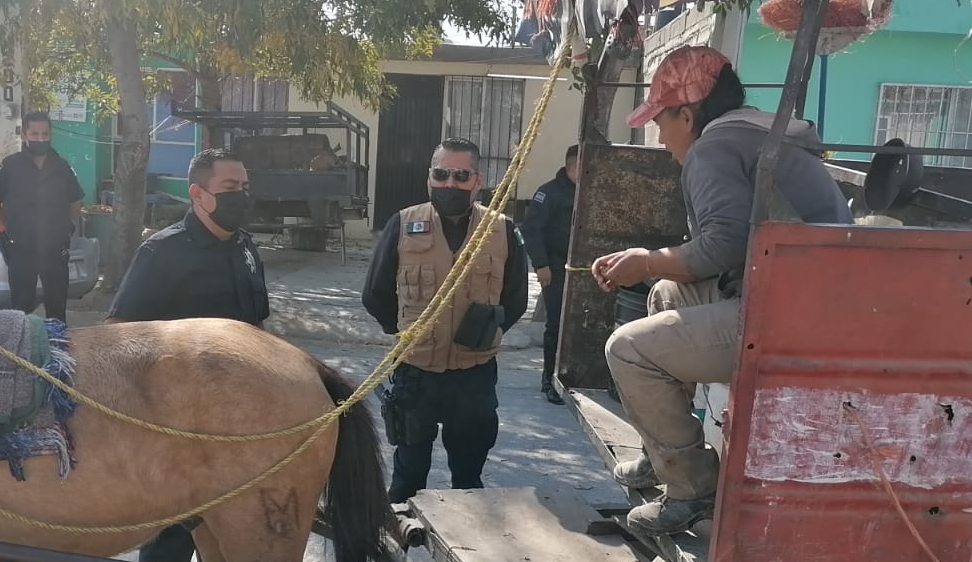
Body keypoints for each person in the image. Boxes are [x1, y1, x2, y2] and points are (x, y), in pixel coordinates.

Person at [592, 45, 853, 536]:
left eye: (660, 121)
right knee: (667, 294)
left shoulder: (712, 148)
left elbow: (722, 245)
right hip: (810, 301)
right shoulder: (754, 133)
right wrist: (653, 268)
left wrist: (644, 261)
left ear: (686, 114)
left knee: (626, 350)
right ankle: (667, 453)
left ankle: (693, 490)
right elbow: (731, 245)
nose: (660, 135)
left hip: (792, 318)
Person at [107, 147, 269, 562]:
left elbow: (257, 332)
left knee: (227, 528)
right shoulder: (162, 254)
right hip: (175, 427)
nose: (241, 195)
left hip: (235, 423)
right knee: (171, 537)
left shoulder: (246, 249)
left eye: (244, 183)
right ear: (199, 195)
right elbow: (121, 332)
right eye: (229, 186)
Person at [362, 137, 529, 504]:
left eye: (460, 175)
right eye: (441, 174)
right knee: (407, 480)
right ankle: (399, 547)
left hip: (474, 376)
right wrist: (408, 333)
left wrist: (485, 331)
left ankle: (466, 551)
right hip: (415, 374)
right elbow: (375, 293)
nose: (449, 183)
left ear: (477, 180)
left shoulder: (501, 229)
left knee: (468, 481)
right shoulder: (403, 224)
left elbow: (515, 299)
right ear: (429, 177)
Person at [0, 111, 85, 322]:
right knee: (21, 310)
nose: (40, 139)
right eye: (35, 134)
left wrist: (65, 227)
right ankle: (21, 352)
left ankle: (57, 350)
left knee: (57, 309)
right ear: (24, 135)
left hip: (55, 248)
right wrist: (7, 227)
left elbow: (75, 203)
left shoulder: (62, 166)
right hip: (21, 247)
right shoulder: (11, 165)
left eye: (45, 134)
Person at [522, 143, 578, 404]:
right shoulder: (549, 193)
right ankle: (550, 379)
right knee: (556, 325)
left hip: (586, 271)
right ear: (572, 167)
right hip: (556, 269)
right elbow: (532, 230)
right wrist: (541, 265)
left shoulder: (592, 191)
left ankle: (574, 376)